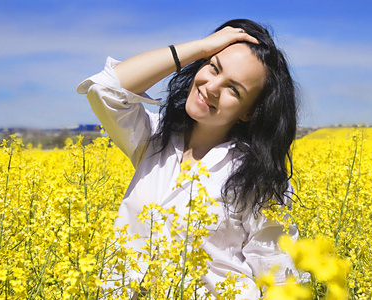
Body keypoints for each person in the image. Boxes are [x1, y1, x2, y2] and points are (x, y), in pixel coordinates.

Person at [77, 18, 304, 299]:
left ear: (249, 112)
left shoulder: (259, 177)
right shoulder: (154, 138)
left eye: (233, 89)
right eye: (213, 67)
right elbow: (105, 90)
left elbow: (279, 278)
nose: (211, 87)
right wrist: (201, 47)